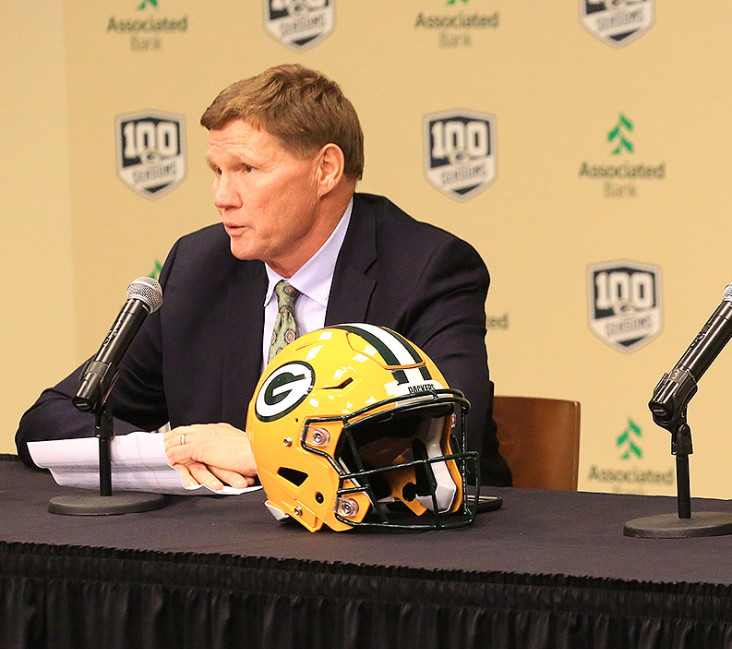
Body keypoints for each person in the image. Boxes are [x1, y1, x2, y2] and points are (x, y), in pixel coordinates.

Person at [16, 64, 511, 490]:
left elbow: (450, 434)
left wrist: (265, 454)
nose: (222, 196)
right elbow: (53, 417)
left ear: (326, 170)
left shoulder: (427, 269)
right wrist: (168, 449)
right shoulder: (198, 267)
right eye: (217, 170)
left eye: (247, 169)